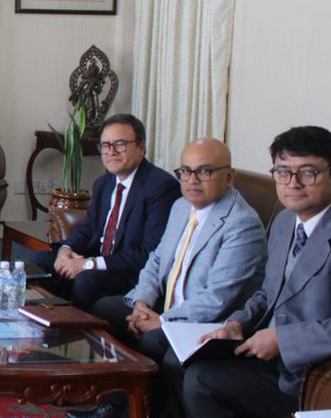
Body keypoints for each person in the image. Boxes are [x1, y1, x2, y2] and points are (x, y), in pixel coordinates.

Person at [181, 126, 331, 418]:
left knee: (201, 380)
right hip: (264, 352)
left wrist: (283, 339)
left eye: (308, 172)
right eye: (283, 172)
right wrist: (237, 324)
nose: (293, 183)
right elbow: (268, 292)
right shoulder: (285, 222)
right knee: (182, 362)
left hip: (311, 372)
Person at [71, 137, 267, 418]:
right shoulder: (181, 207)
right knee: (107, 310)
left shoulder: (241, 224)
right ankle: (114, 405)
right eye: (185, 171)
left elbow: (218, 299)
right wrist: (141, 302)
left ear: (229, 176)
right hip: (169, 304)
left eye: (205, 171)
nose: (192, 180)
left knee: (154, 339)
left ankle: (140, 411)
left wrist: (161, 321)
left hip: (211, 322)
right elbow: (157, 260)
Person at [32, 113, 180, 313]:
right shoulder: (104, 183)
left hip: (129, 273)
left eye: (120, 144)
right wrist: (65, 250)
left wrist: (89, 264)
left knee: (86, 280)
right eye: (105, 145)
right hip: (98, 260)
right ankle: (49, 319)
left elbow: (148, 254)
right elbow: (88, 228)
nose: (111, 152)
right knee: (38, 262)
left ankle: (80, 336)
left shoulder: (161, 188)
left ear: (141, 147)